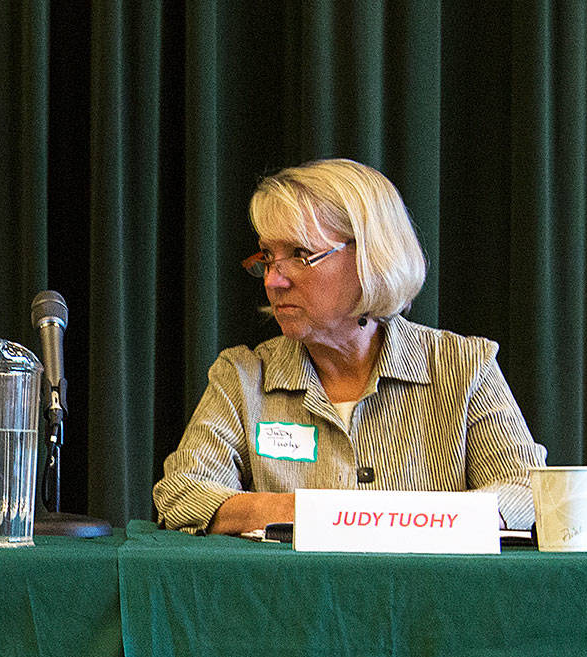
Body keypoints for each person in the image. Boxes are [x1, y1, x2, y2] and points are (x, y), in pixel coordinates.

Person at [155, 158, 543, 535]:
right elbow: (182, 494)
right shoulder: (243, 377)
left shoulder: (462, 366)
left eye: (300, 255)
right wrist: (315, 512)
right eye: (268, 257)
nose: (273, 281)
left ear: (371, 259)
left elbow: (526, 491)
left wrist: (405, 522)